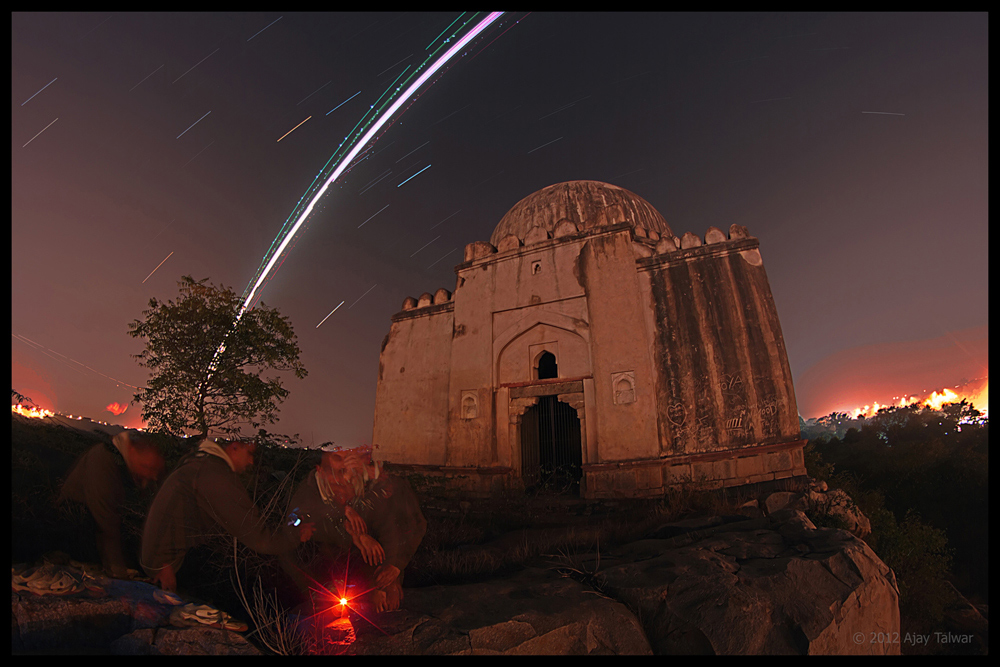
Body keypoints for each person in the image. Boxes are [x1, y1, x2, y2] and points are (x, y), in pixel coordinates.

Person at [141, 437, 314, 593]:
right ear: (234, 447)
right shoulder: (214, 475)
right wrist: (295, 534)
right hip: (171, 568)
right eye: (250, 453)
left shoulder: (199, 462)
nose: (251, 461)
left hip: (164, 562)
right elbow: (258, 536)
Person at [282, 446, 425, 612]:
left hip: (353, 570)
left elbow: (394, 527)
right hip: (321, 571)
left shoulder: (366, 489)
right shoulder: (309, 493)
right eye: (337, 461)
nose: (343, 481)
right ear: (320, 470)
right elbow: (297, 523)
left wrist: (392, 573)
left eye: (347, 473)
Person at [57, 429, 165, 578]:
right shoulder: (103, 461)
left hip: (99, 531)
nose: (151, 475)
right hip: (76, 530)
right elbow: (105, 521)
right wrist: (118, 570)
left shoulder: (129, 468)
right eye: (147, 467)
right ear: (132, 451)